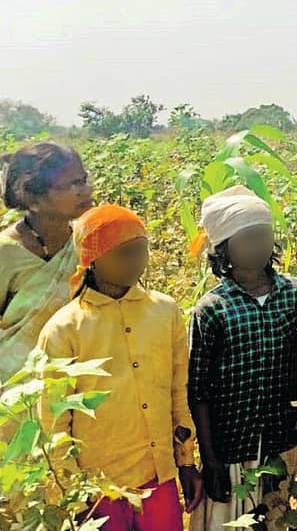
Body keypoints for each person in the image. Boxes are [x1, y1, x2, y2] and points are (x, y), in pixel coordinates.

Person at [38, 204, 203, 531]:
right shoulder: (64, 330)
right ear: (93, 259)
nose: (135, 262)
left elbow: (177, 391)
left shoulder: (164, 311)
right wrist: (71, 493)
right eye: (123, 253)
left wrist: (186, 462)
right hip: (99, 489)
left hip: (157, 476)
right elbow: (54, 421)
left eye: (140, 250)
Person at [188, 186, 297, 531]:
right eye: (248, 238)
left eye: (264, 236)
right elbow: (198, 391)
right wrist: (210, 460)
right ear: (224, 249)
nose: (259, 246)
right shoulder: (212, 310)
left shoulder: (295, 294)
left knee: (274, 517)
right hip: (231, 448)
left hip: (279, 439)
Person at [0, 143, 93, 382]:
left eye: (84, 180)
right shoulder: (7, 253)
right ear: (33, 199)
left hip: (79, 379)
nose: (85, 190)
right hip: (15, 391)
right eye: (73, 185)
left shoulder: (88, 241)